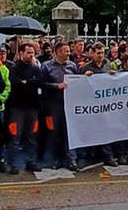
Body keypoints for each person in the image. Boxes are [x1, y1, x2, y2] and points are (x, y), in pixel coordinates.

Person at [41, 42, 79, 170]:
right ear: (56, 52)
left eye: (69, 51)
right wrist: (56, 86)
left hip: (69, 103)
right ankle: (56, 159)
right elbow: (42, 84)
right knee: (55, 132)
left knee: (70, 132)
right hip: (53, 104)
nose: (68, 54)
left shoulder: (72, 65)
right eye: (65, 51)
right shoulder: (47, 66)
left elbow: (78, 80)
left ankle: (71, 159)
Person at [7, 43, 42, 174]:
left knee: (32, 135)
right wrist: (29, 82)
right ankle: (14, 163)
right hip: (17, 108)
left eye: (32, 53)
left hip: (33, 107)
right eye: (28, 52)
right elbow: (16, 83)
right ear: (21, 54)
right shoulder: (14, 68)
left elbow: (41, 81)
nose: (31, 55)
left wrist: (27, 82)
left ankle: (31, 161)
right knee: (15, 136)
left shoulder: (36, 69)